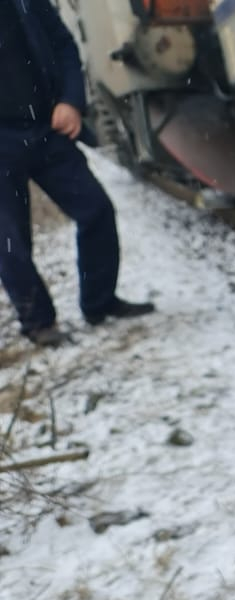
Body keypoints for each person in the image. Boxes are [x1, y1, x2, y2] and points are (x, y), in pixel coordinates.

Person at [0, 0, 153, 347]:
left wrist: (70, 101)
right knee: (11, 242)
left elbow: (64, 45)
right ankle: (39, 322)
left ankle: (99, 303)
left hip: (45, 128)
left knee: (96, 209)